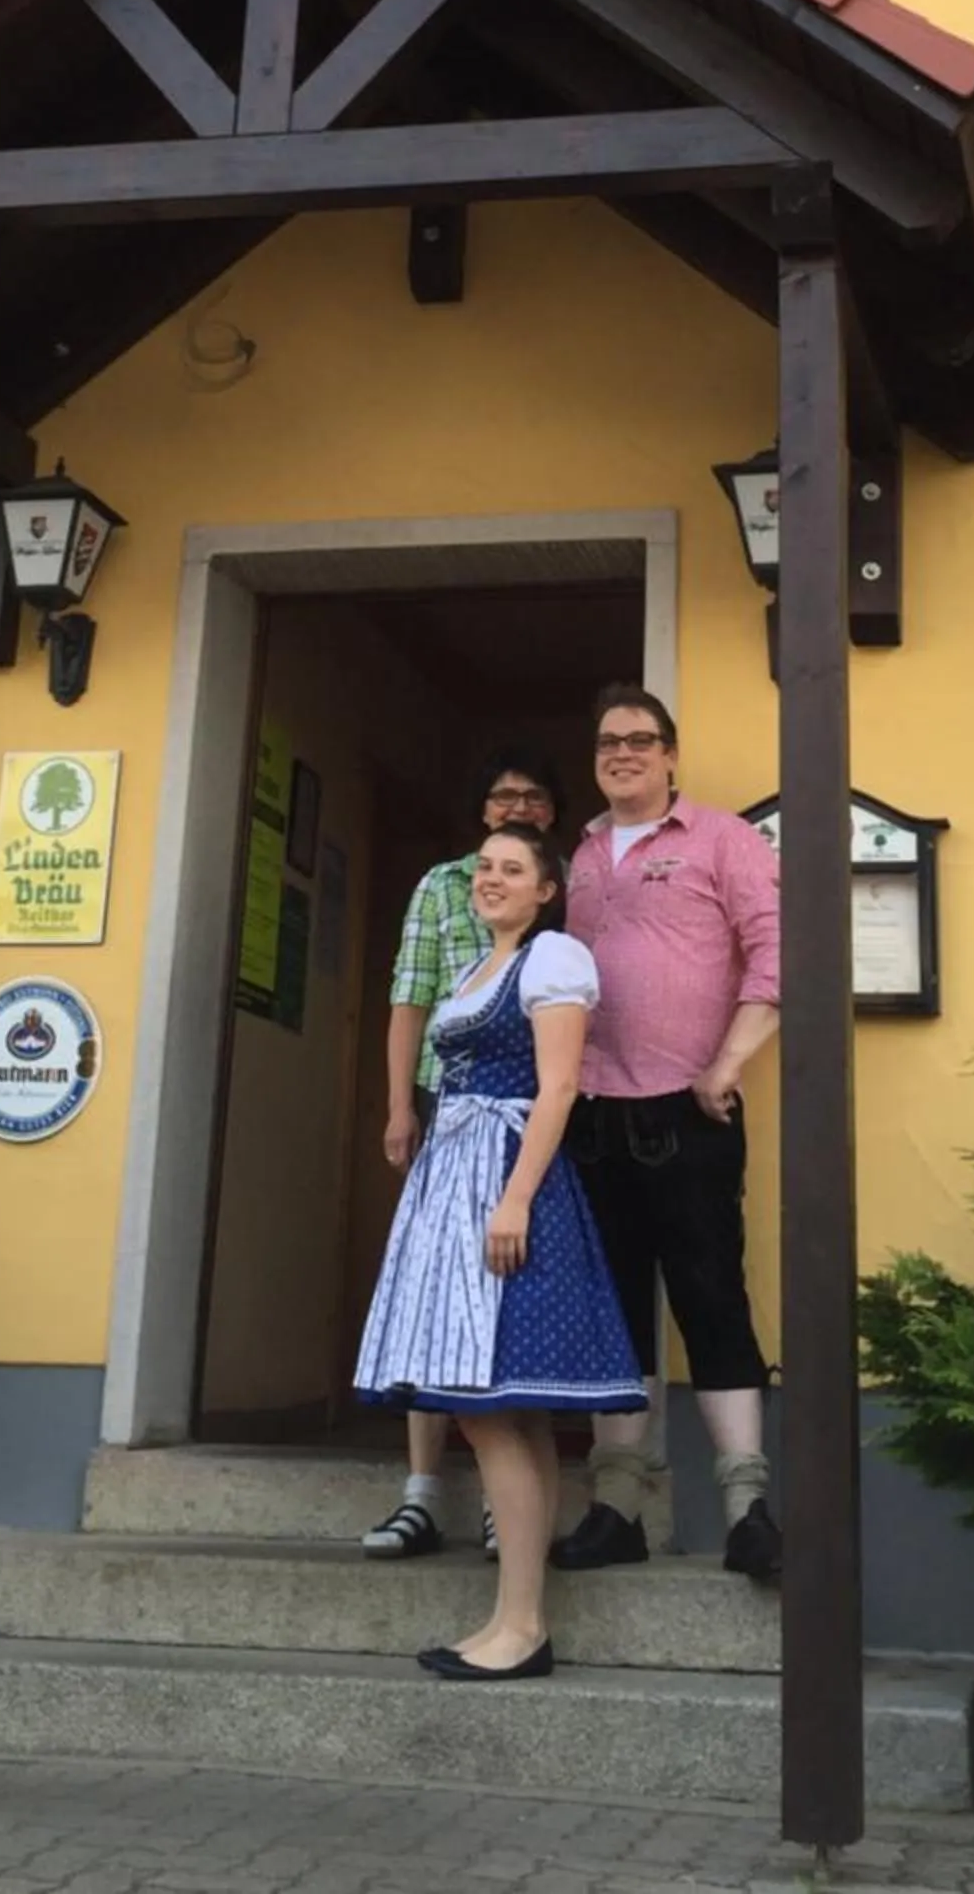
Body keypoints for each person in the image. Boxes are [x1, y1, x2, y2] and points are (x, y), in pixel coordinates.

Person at [355, 823, 647, 1679]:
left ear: (546, 888)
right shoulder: (482, 967)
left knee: (489, 1409)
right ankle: (517, 1620)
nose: (491, 878)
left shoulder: (552, 960)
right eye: (484, 866)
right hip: (455, 1187)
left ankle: (521, 1624)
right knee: (505, 1414)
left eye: (512, 869)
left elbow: (557, 1087)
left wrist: (515, 1197)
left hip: (505, 1187)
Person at [554, 684, 783, 1583]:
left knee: (711, 1298)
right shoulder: (574, 854)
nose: (624, 754)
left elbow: (778, 949)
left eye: (641, 741)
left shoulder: (725, 839)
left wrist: (727, 1064)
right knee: (611, 1316)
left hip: (692, 1106)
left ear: (672, 754)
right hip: (592, 1112)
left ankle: (747, 1508)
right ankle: (617, 1509)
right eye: (609, 741)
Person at [362, 748, 564, 1559]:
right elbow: (409, 994)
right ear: (481, 812)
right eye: (500, 795)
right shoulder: (444, 885)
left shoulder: (560, 898)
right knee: (432, 1294)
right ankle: (420, 1491)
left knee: (512, 1302)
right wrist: (398, 1104)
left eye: (531, 795)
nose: (514, 804)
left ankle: (502, 1504)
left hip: (528, 1109)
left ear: (549, 815)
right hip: (445, 1110)